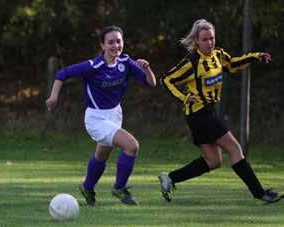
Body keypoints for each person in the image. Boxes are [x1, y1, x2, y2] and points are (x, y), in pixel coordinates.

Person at [158, 19, 282, 204]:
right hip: (199, 115)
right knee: (234, 148)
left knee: (213, 161)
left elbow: (232, 65)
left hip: (208, 113)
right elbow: (167, 80)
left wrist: (255, 56)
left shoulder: (218, 55)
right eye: (205, 39)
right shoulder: (192, 62)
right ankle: (260, 193)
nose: (209, 42)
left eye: (212, 38)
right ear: (197, 41)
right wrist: (184, 97)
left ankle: (170, 178)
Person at [46, 25, 156, 206]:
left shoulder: (126, 62)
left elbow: (151, 83)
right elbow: (62, 74)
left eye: (118, 41)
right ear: (102, 45)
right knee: (132, 146)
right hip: (96, 119)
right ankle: (120, 188)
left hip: (115, 115)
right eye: (110, 42)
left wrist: (147, 68)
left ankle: (87, 187)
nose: (115, 46)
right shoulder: (93, 66)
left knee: (101, 156)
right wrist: (53, 97)